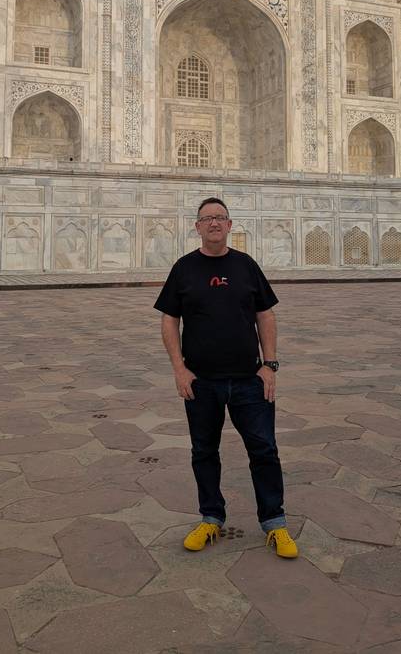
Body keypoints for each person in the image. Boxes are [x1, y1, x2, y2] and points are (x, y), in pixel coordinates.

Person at [154, 197, 298, 558]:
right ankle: (211, 518)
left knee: (264, 450)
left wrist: (271, 364)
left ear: (230, 225)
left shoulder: (246, 266)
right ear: (197, 227)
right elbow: (169, 319)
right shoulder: (184, 268)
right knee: (204, 451)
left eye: (220, 218)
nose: (214, 224)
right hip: (201, 381)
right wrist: (178, 368)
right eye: (207, 219)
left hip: (249, 379)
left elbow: (265, 314)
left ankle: (275, 523)